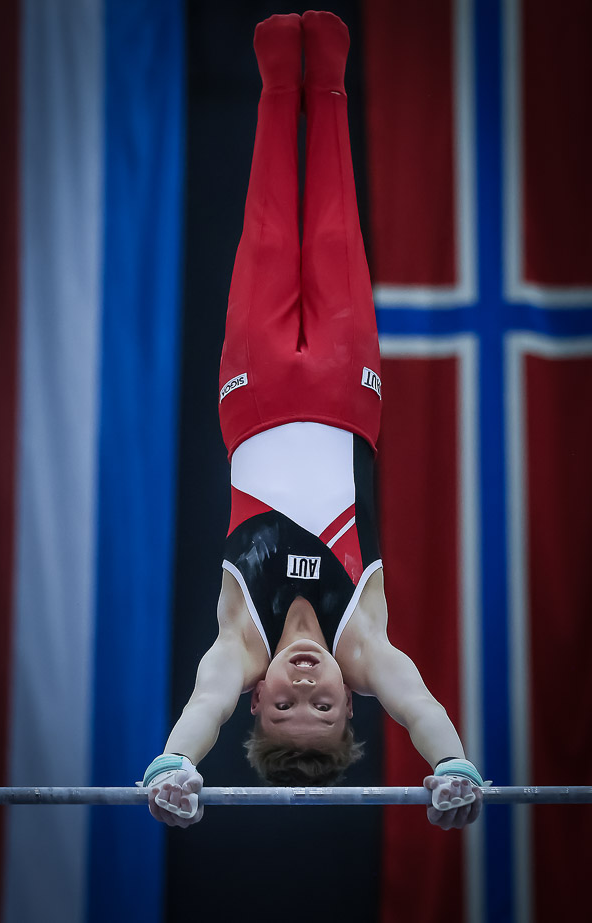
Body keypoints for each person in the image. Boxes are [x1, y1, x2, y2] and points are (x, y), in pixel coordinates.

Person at [143, 11, 484, 832]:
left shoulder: (240, 645)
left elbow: (200, 705)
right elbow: (419, 703)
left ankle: (275, 83)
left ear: (255, 696)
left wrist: (175, 765)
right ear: (350, 699)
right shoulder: (363, 643)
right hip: (343, 394)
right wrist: (451, 765)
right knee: (334, 225)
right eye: (322, 705)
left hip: (253, 395)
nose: (303, 683)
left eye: (285, 703)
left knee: (266, 223)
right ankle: (326, 82)